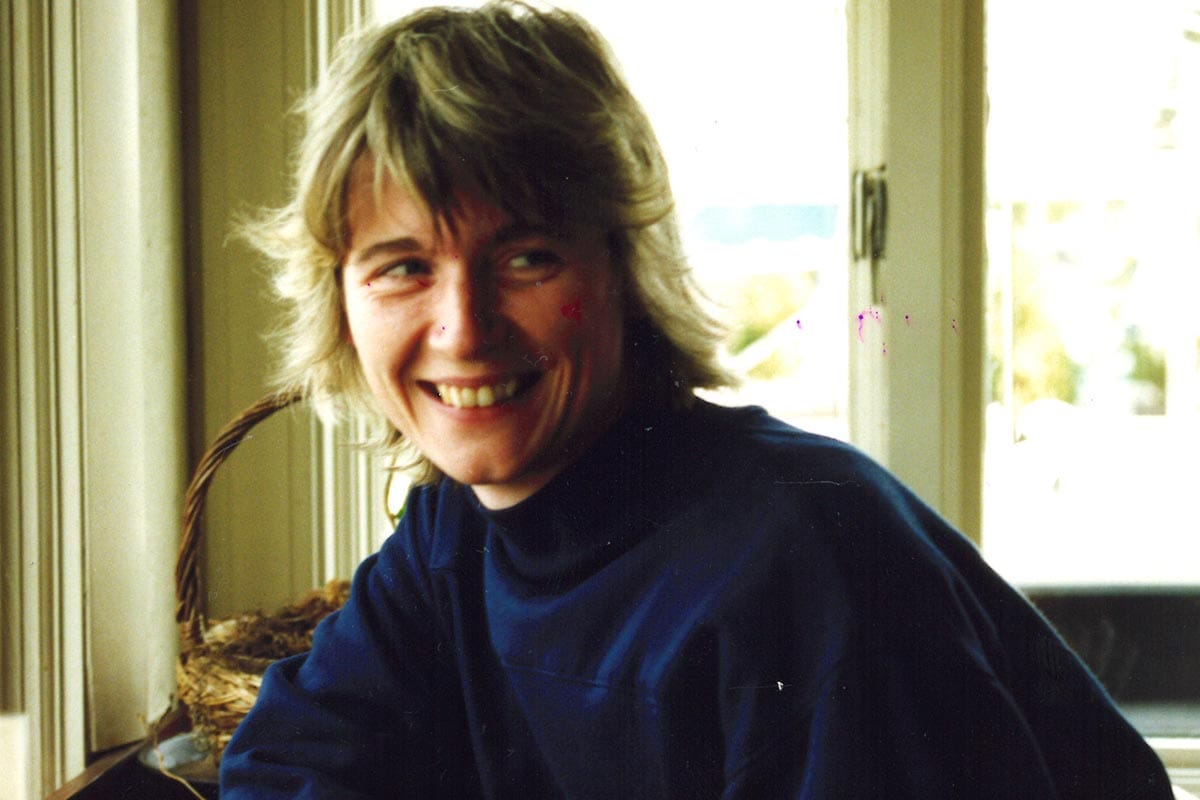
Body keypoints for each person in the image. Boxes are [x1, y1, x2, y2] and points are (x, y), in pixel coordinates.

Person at [218, 2, 1174, 797]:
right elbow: (286, 771)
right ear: (341, 300)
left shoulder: (804, 555)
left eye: (526, 257)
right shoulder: (451, 541)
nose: (462, 328)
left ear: (629, 269)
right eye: (403, 268)